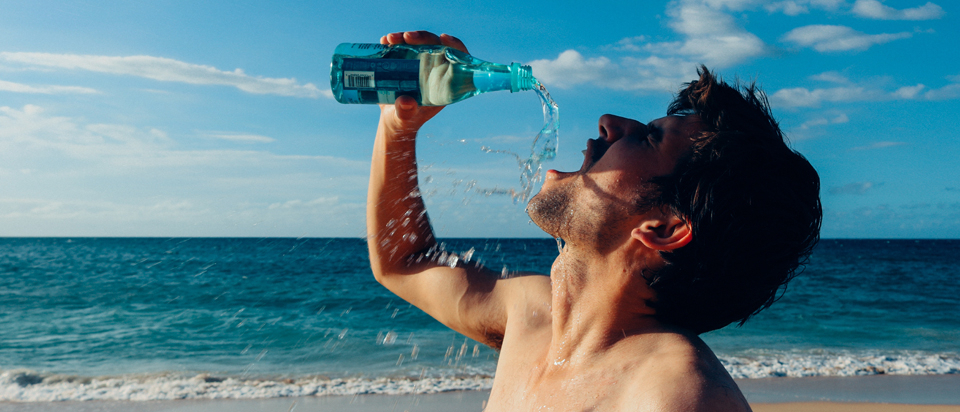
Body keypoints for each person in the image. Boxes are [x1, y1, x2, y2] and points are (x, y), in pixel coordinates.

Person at [367, 31, 821, 411]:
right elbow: (404, 262)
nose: (609, 122)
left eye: (648, 138)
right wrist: (398, 128)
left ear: (665, 228)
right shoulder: (533, 316)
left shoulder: (676, 396)